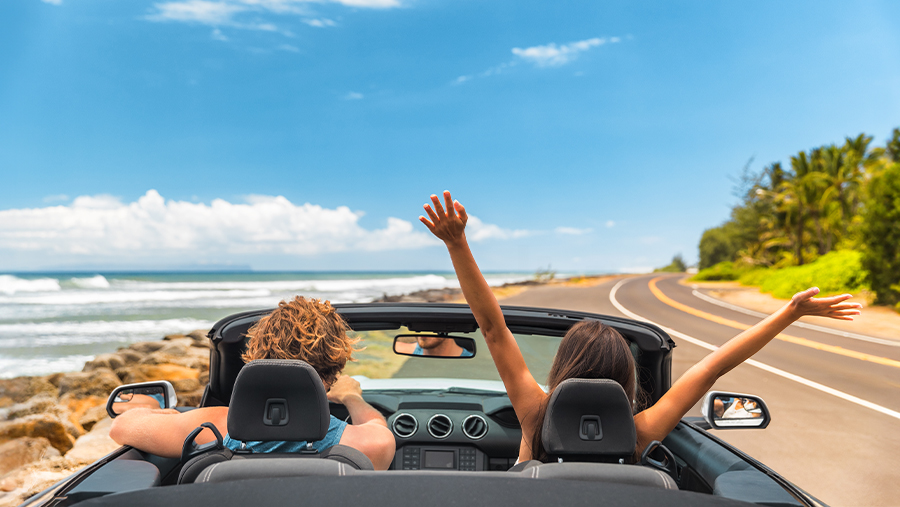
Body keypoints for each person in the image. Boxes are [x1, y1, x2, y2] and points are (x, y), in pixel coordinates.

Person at [419, 190, 861, 463]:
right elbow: (712, 368)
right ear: (628, 378)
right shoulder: (639, 432)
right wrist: (790, 313)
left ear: (562, 367)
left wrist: (456, 244)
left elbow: (493, 328)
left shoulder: (535, 415)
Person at [109, 296, 396, 470]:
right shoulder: (370, 444)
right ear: (333, 374)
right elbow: (376, 426)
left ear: (258, 358)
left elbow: (121, 426)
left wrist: (166, 413)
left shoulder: (214, 427)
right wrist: (352, 398)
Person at [394, 335, 474, 357]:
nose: (422, 330)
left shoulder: (471, 364)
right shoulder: (398, 350)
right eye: (417, 325)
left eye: (433, 325)